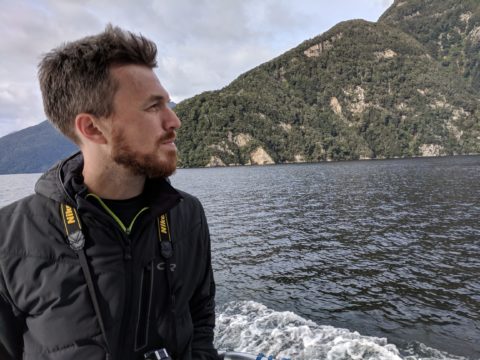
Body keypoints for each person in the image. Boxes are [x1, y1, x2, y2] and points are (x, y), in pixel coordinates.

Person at [0, 25, 218, 360]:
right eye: (153, 107)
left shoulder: (187, 215)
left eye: (168, 104)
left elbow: (200, 316)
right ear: (92, 128)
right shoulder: (9, 237)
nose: (174, 120)